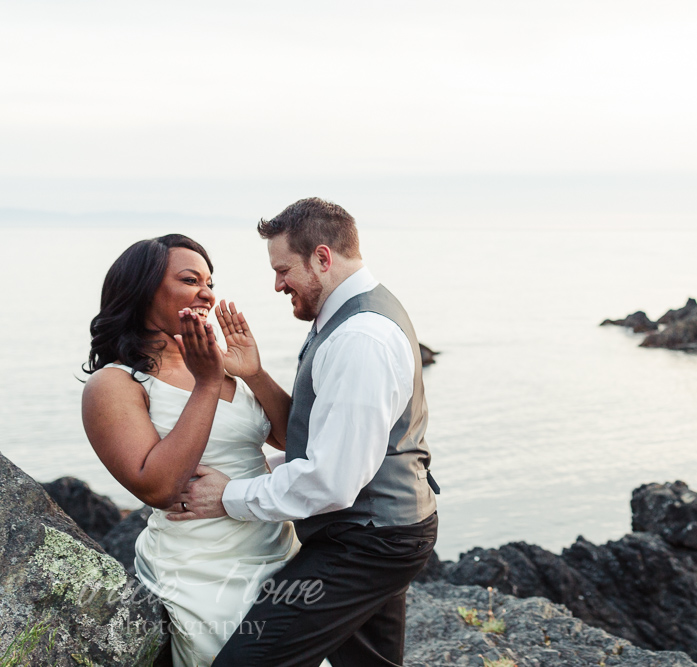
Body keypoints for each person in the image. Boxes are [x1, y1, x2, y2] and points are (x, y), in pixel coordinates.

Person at [170, 198, 440, 667]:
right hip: (387, 529)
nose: (277, 285)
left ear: (322, 257)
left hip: (367, 542)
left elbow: (332, 481)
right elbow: (330, 439)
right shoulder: (349, 314)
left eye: (283, 270)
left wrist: (228, 495)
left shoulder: (361, 338)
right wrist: (254, 374)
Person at [82, 234, 298, 666]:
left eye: (210, 282)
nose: (207, 293)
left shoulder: (217, 362)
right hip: (200, 569)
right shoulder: (115, 384)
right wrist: (205, 383)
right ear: (143, 291)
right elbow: (158, 487)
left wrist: (253, 373)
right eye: (189, 279)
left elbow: (296, 443)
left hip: (280, 551)